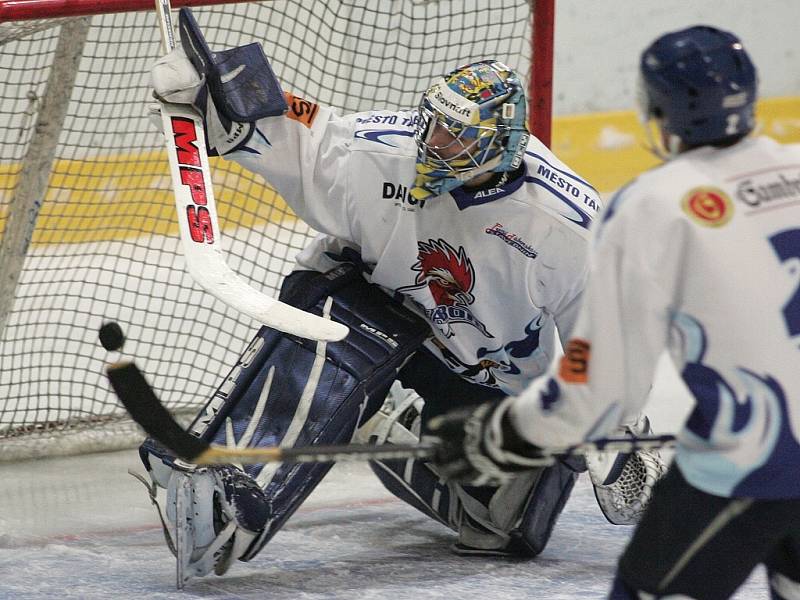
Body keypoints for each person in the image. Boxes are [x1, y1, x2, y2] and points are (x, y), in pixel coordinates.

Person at [138, 19, 660, 583]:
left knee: (510, 526)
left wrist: (614, 422)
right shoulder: (383, 150)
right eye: (433, 125)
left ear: (500, 146)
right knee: (344, 335)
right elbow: (300, 129)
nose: (434, 143)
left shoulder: (568, 226)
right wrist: (212, 90)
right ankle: (229, 475)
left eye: (455, 136)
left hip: (478, 369)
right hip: (364, 308)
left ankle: (389, 425)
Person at [431, 25, 800, 600]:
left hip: (755, 451)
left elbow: (601, 390)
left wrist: (504, 433)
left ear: (657, 108)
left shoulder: (653, 206)